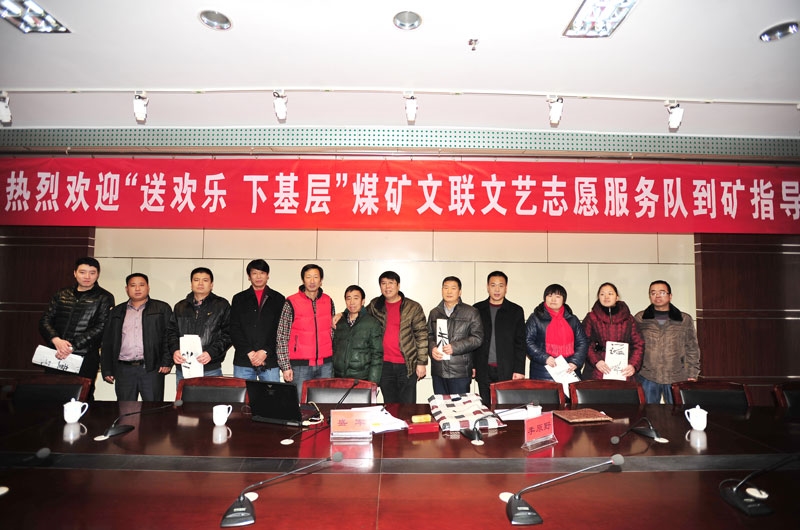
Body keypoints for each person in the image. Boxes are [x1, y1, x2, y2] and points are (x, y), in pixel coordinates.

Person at [39, 257, 115, 401]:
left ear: (98, 274)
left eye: (92, 273)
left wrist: (72, 346)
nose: (87, 276)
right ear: (75, 273)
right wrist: (56, 340)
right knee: (52, 397)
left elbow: (102, 327)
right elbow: (45, 320)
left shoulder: (104, 297)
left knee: (82, 397)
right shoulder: (62, 294)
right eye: (82, 272)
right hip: (56, 353)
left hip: (85, 356)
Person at [101, 273, 173, 401]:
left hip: (152, 369)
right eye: (133, 285)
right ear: (127, 289)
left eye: (141, 285)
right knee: (125, 409)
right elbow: (107, 341)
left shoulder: (162, 308)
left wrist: (167, 361)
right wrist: (107, 369)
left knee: (153, 409)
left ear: (148, 287)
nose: (137, 289)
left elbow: (169, 336)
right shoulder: (116, 311)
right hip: (124, 370)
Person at [366, 271, 428, 403]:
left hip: (407, 365)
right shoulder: (375, 305)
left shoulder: (413, 307)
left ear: (398, 285)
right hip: (384, 365)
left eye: (391, 283)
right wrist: (343, 314)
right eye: (383, 283)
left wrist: (421, 363)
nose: (387, 287)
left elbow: (422, 335)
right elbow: (359, 314)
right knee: (390, 405)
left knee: (408, 406)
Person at [634, 280, 701, 404]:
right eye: (653, 293)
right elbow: (634, 346)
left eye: (662, 292)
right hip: (647, 376)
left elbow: (692, 348)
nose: (657, 296)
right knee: (647, 412)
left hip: (676, 376)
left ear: (670, 296)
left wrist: (692, 374)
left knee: (677, 413)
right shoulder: (640, 318)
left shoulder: (684, 319)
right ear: (649, 296)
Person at [276, 264, 335, 399]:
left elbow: (332, 331)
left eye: (316, 277)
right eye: (308, 277)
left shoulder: (328, 300)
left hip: (325, 365)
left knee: (324, 403)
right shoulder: (291, 302)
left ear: (321, 280)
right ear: (303, 280)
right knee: (299, 404)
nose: (312, 281)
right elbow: (282, 336)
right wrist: (285, 366)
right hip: (299, 367)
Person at [167, 267, 231, 384]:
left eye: (205, 280)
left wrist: (211, 353)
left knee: (212, 397)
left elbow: (229, 334)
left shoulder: (222, 305)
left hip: (210, 368)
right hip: (184, 367)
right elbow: (171, 332)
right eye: (196, 280)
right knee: (184, 396)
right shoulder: (180, 307)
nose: (200, 283)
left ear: (211, 285)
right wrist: (175, 350)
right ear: (191, 284)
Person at [473, 271, 526, 405]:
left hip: (507, 369)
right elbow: (472, 340)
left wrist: (519, 369)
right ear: (487, 287)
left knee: (505, 408)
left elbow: (520, 343)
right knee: (485, 407)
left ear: (506, 288)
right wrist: (472, 366)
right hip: (483, 368)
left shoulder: (515, 311)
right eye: (493, 285)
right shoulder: (477, 309)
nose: (497, 289)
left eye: (501, 286)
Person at [229, 259, 286, 382]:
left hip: (269, 360)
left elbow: (280, 330)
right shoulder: (239, 299)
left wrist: (265, 351)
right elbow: (234, 328)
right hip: (244, 360)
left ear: (267, 275)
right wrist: (249, 352)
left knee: (271, 394)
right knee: (243, 394)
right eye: (254, 273)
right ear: (249, 276)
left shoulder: (278, 299)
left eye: (262, 273)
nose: (258, 277)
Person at [428, 276, 483, 395]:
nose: (449, 291)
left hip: (460, 372)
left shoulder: (471, 312)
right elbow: (429, 335)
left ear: (460, 292)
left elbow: (477, 338)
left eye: (453, 288)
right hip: (439, 370)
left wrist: (455, 347)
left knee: (460, 406)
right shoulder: (434, 313)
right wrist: (432, 348)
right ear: (441, 290)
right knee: (441, 405)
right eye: (446, 288)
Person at [581, 282, 644, 381]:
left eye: (610, 294)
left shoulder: (629, 318)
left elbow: (638, 344)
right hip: (597, 369)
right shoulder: (591, 317)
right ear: (598, 297)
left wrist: (633, 365)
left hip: (624, 369)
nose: (606, 297)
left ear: (617, 297)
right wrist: (596, 361)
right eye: (602, 294)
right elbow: (584, 342)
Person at [525, 283, 588, 382]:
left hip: (569, 369)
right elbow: (527, 341)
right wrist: (545, 358)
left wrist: (575, 362)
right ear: (545, 298)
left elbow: (582, 342)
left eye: (558, 296)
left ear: (564, 300)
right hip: (543, 370)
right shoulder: (535, 318)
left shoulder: (572, 319)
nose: (553, 299)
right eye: (550, 296)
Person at [332, 285, 383, 383]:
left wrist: (372, 383)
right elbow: (334, 350)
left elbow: (377, 355)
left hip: (361, 379)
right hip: (339, 378)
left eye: (356, 298)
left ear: (363, 301)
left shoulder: (372, 323)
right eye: (348, 298)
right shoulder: (339, 322)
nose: (352, 302)